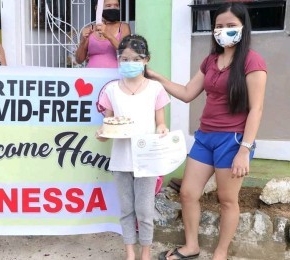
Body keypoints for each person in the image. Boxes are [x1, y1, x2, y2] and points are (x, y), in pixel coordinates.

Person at [147, 3, 267, 260]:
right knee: (188, 193)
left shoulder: (252, 61)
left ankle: (220, 253)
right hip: (205, 137)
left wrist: (244, 150)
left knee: (227, 200)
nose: (224, 31)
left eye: (230, 26)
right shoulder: (211, 60)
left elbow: (256, 109)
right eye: (219, 26)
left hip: (233, 140)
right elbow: (188, 93)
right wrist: (158, 78)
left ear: (243, 28)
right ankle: (191, 246)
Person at [96, 34, 170, 260]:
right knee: (126, 210)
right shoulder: (111, 91)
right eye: (124, 59)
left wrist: (162, 130)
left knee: (145, 211)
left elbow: (161, 123)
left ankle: (145, 252)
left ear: (146, 59)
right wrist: (102, 134)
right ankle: (130, 253)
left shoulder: (156, 89)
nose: (129, 63)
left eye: (134, 59)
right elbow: (107, 125)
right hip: (121, 160)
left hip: (146, 161)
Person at [75, 0, 130, 68]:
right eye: (108, 6)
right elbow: (79, 60)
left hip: (115, 75)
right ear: (98, 8)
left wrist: (108, 35)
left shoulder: (123, 27)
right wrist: (83, 41)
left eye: (116, 5)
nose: (113, 8)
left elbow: (126, 53)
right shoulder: (90, 29)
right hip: (92, 75)